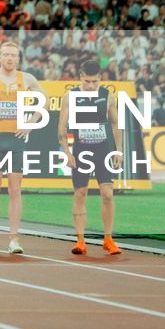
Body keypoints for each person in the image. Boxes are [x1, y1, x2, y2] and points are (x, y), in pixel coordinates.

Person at [0, 38, 36, 255]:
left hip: (17, 139)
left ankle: (14, 239)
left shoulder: (26, 79)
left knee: (15, 189)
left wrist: (30, 124)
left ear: (18, 59)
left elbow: (44, 101)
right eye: (6, 54)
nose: (9, 58)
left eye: (13, 55)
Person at [61, 79, 124, 257]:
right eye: (87, 81)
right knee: (80, 194)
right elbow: (61, 127)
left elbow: (115, 123)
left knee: (108, 194)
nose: (90, 85)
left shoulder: (107, 95)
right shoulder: (71, 96)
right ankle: (80, 241)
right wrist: (67, 152)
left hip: (102, 149)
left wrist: (118, 151)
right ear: (81, 77)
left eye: (94, 81)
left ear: (99, 78)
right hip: (81, 149)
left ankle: (108, 239)